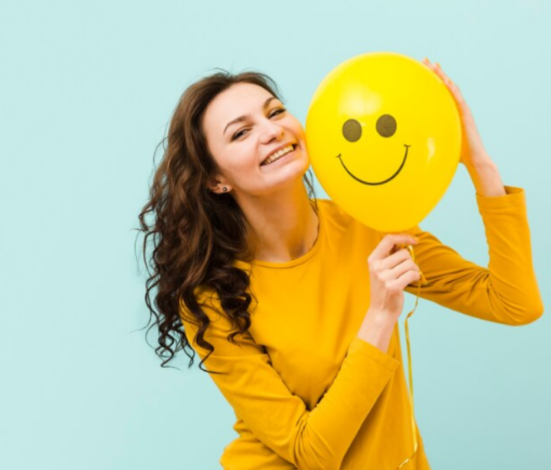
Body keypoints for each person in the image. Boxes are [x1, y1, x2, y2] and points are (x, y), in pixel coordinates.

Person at [136, 58, 544, 469]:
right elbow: (311, 453)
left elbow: (514, 303)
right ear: (215, 180)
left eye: (275, 111)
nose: (272, 130)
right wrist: (380, 315)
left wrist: (480, 166)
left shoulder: (369, 221)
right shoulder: (210, 297)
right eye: (241, 132)